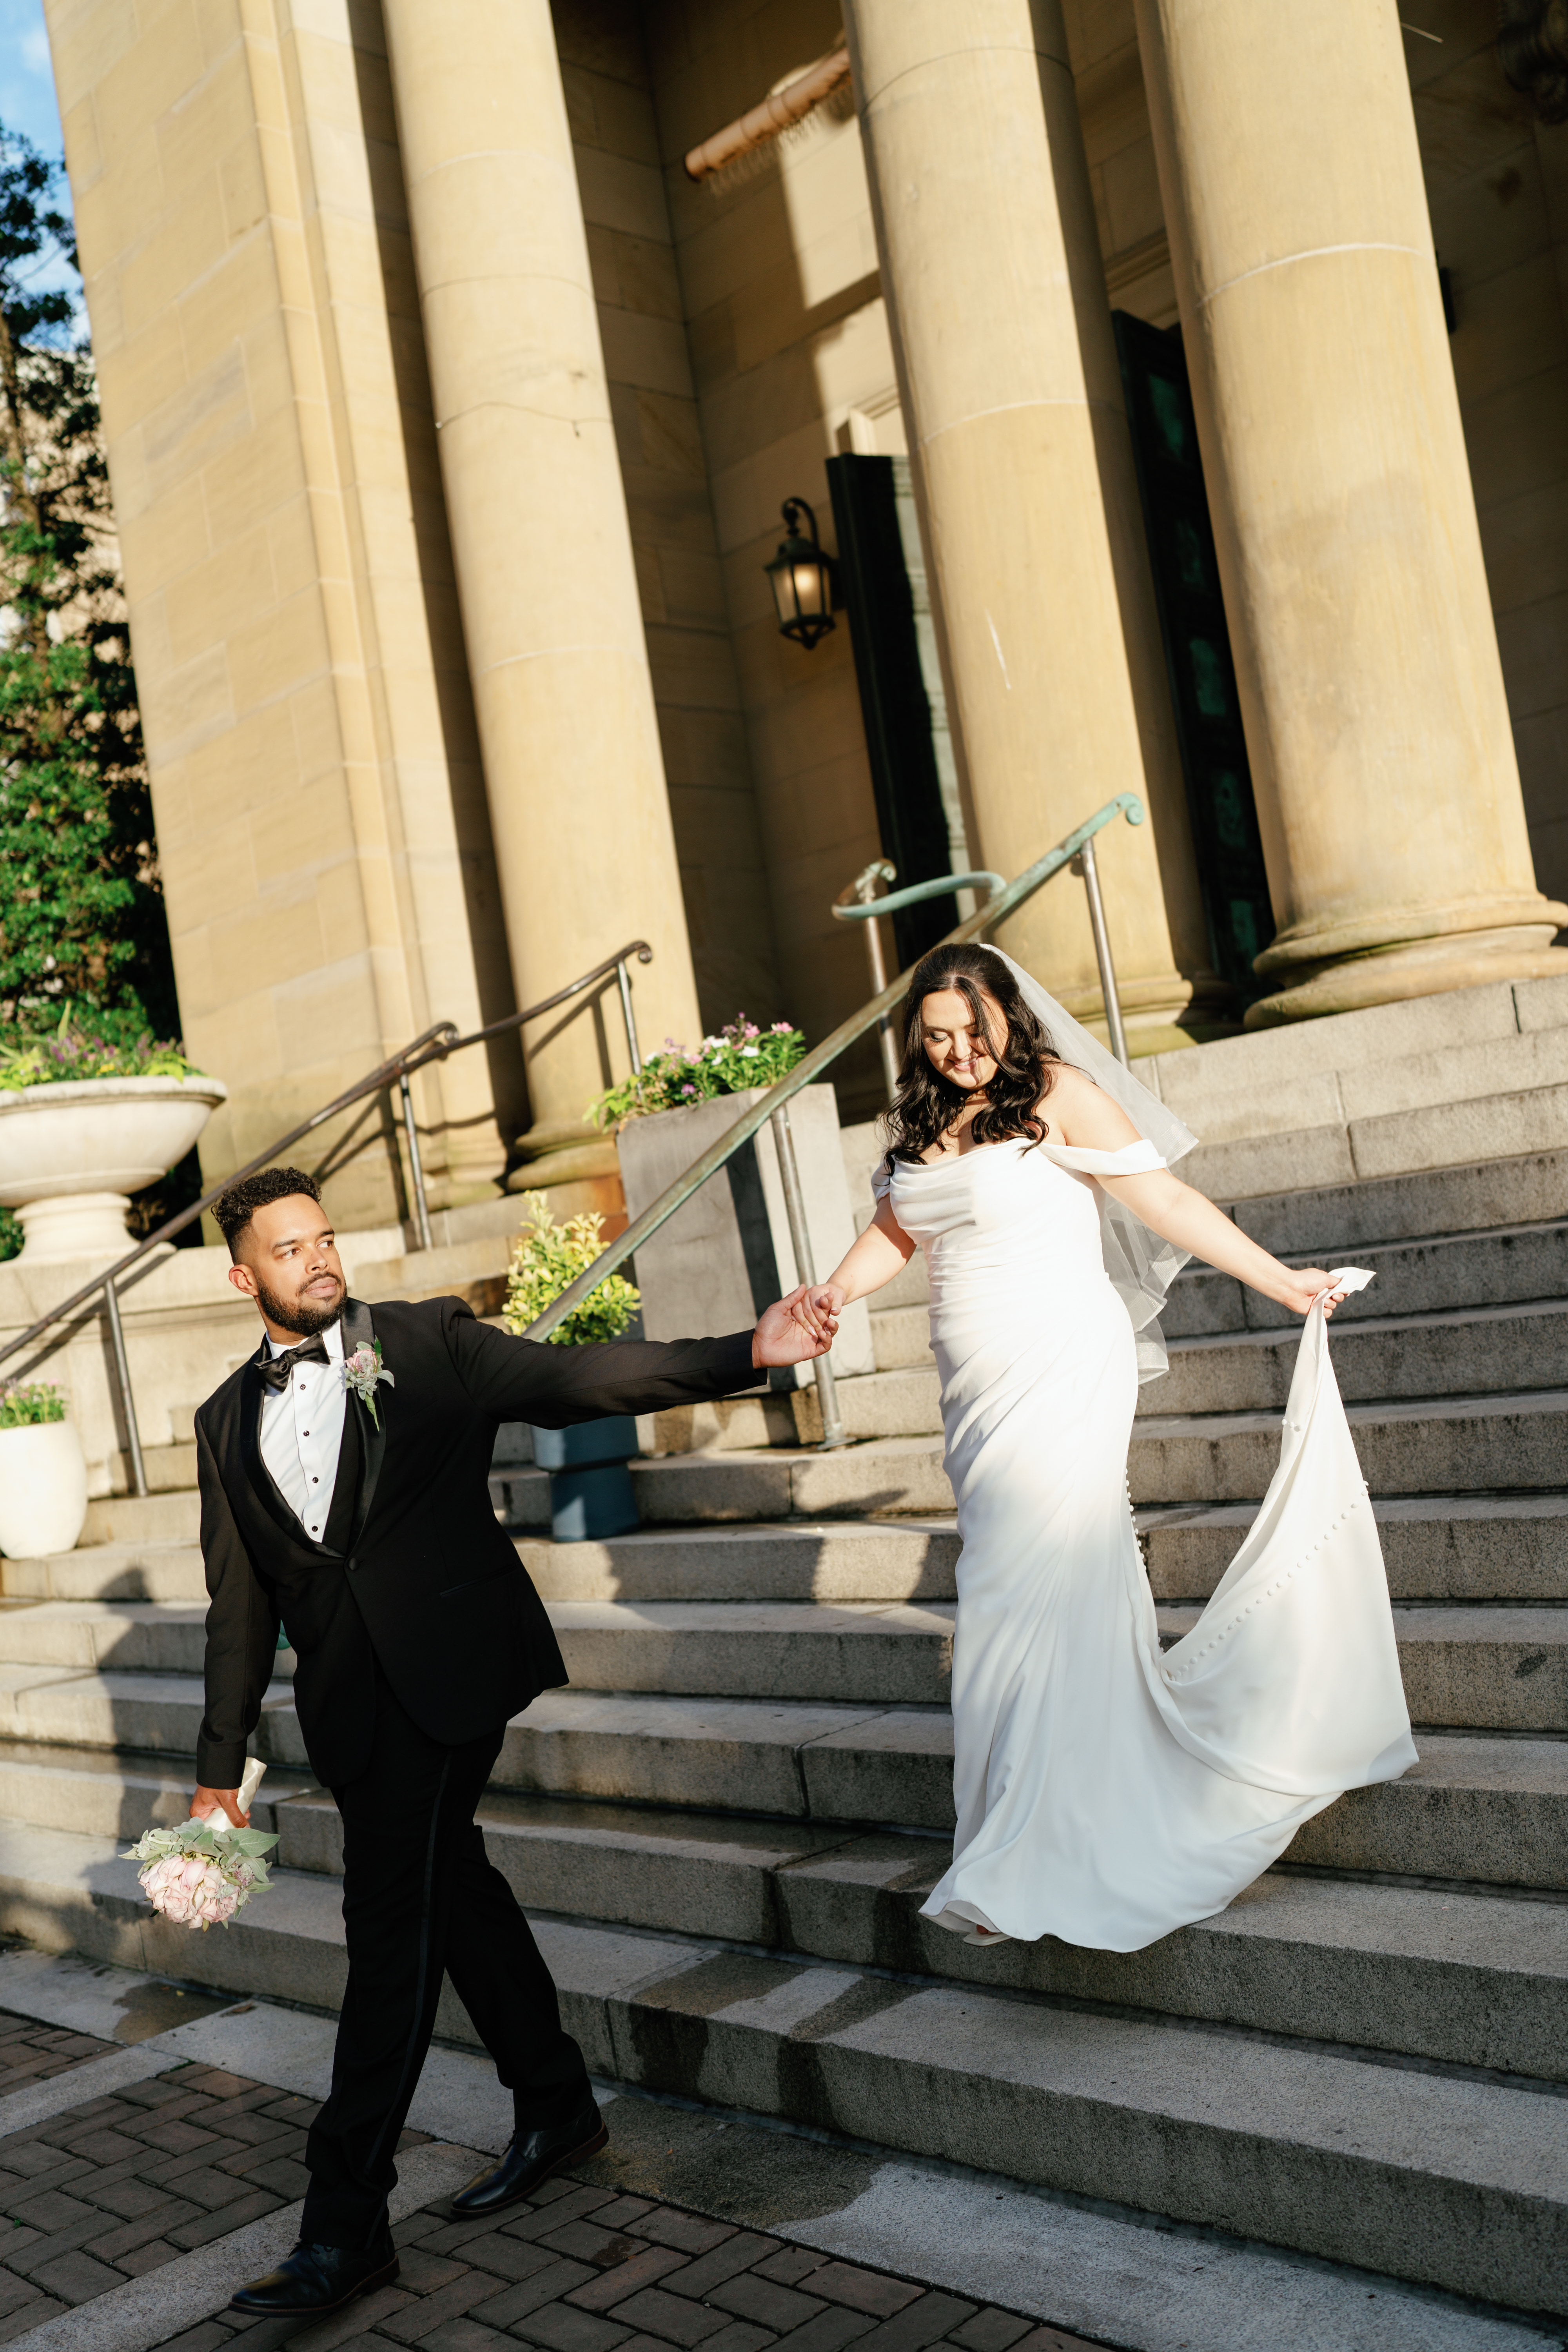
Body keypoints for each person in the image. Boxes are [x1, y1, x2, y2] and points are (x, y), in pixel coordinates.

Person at [191, 1165, 835, 2321]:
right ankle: (556, 2104)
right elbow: (238, 1607)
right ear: (246, 1277)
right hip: (355, 1711)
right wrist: (215, 1774)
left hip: (454, 1674)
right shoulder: (223, 1422)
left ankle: (345, 2228)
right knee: (458, 1889)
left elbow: (583, 1378)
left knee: (391, 1934)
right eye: (289, 1251)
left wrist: (752, 1347)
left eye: (325, 1238)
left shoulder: (428, 1343)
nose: (319, 1259)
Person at [789, 942, 1415, 1955]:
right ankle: (1022, 1820)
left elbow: (1162, 1200)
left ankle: (1042, 1836)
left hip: (1063, 1357)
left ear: (1009, 1019)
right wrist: (832, 1292)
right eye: (937, 1039)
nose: (957, 1054)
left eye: (973, 1034)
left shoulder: (1063, 1095)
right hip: (974, 1378)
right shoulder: (918, 1121)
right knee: (1001, 1576)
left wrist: (1283, 1282)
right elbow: (896, 1231)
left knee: (1039, 1573)